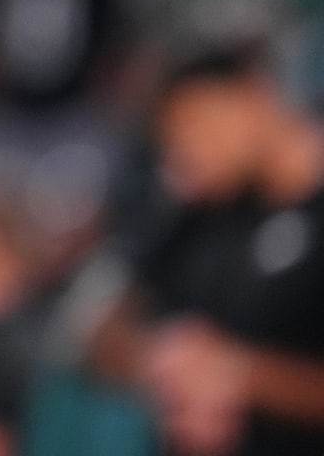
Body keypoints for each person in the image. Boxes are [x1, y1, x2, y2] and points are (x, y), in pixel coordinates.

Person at [87, 42, 324, 456]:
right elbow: (100, 332)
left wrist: (241, 374)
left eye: (197, 124)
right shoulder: (200, 221)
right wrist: (165, 364)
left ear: (256, 94)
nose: (189, 151)